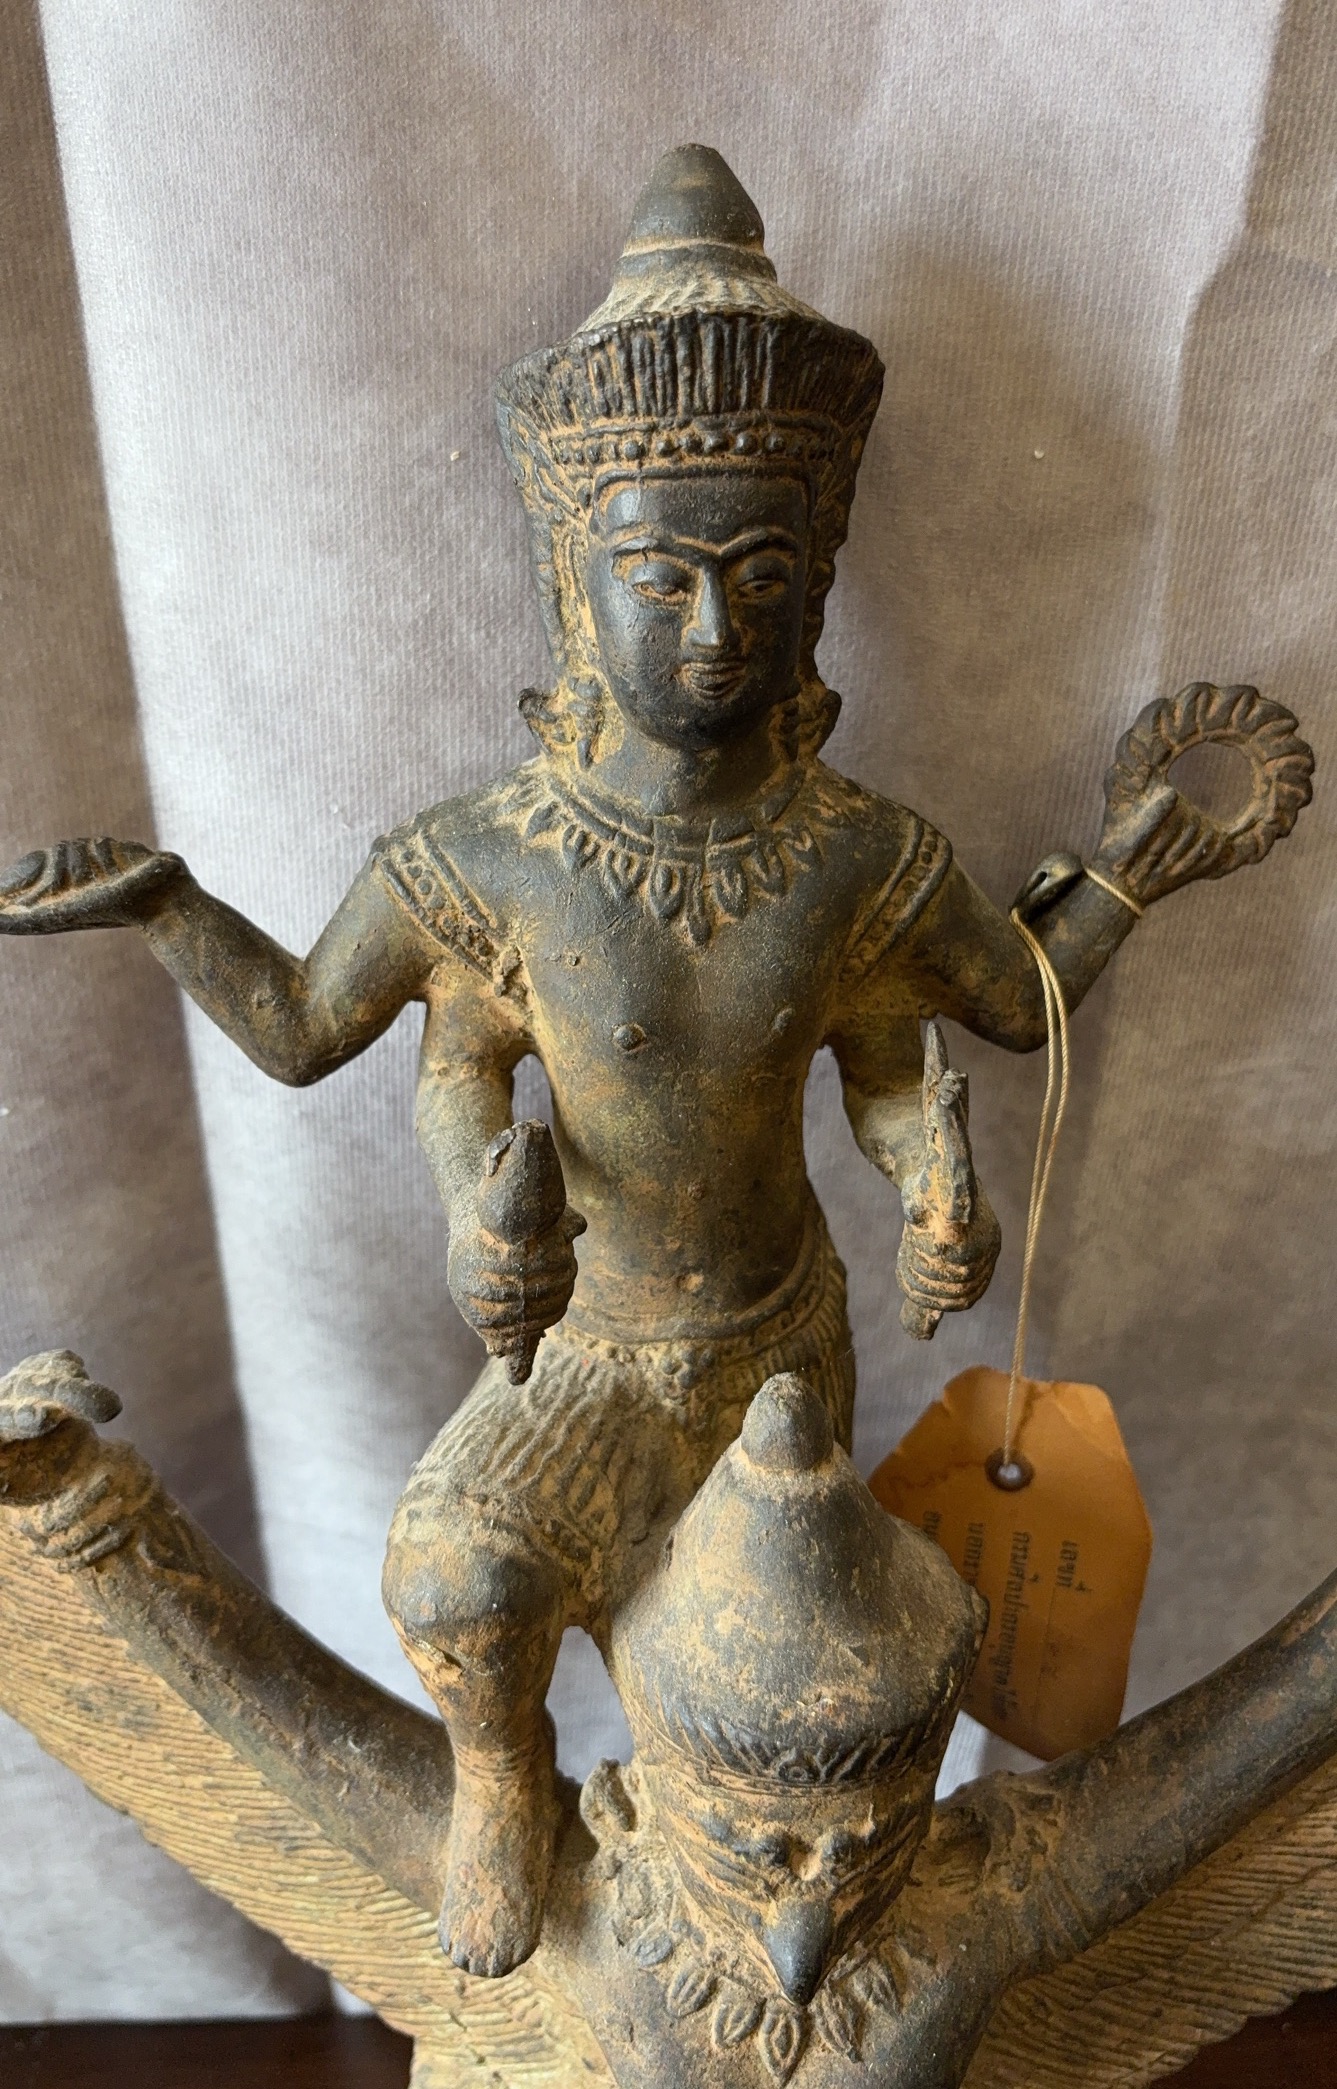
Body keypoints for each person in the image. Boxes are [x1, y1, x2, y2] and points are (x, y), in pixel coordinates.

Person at [0, 147, 1246, 1978]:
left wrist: (1009, 1059)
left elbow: (960, 1025)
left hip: (773, 1356)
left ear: (814, 588)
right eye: (662, 576)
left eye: (762, 576)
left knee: (774, 1700)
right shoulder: (483, 860)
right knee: (454, 1583)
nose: (715, 630)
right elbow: (316, 1033)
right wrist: (176, 910)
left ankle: (744, 1937)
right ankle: (501, 1779)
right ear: (573, 583)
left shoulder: (851, 855)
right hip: (584, 1356)